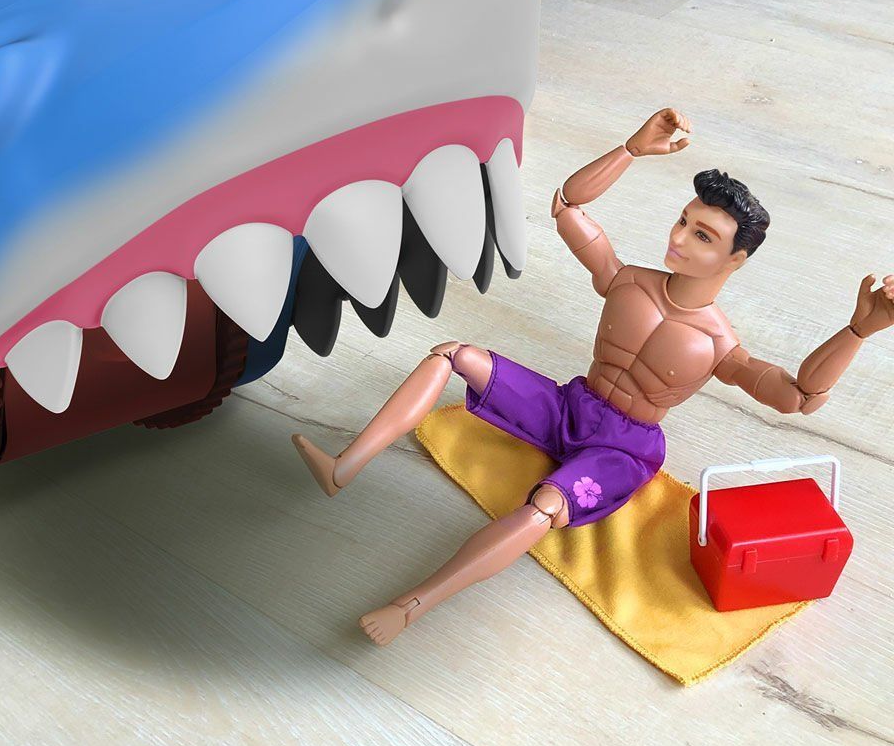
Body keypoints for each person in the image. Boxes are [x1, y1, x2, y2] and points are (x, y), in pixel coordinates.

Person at [291, 108, 894, 645]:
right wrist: (631, 148)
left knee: (543, 507)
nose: (678, 238)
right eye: (683, 221)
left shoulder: (717, 344)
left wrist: (858, 331)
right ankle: (344, 467)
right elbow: (568, 207)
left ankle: (412, 606)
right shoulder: (629, 281)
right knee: (453, 354)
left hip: (621, 449)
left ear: (735, 260)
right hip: (569, 405)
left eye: (702, 235)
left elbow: (799, 396)